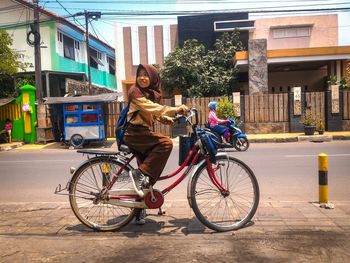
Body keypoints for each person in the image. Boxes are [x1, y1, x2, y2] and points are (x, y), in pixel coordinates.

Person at [124, 64, 188, 225]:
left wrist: (169, 120)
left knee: (150, 174)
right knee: (165, 144)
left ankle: (139, 209)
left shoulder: (150, 94)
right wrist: (176, 109)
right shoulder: (135, 92)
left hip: (141, 134)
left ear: (153, 78)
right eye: (140, 75)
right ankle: (137, 174)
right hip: (134, 133)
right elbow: (154, 108)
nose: (142, 78)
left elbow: (154, 113)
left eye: (146, 75)